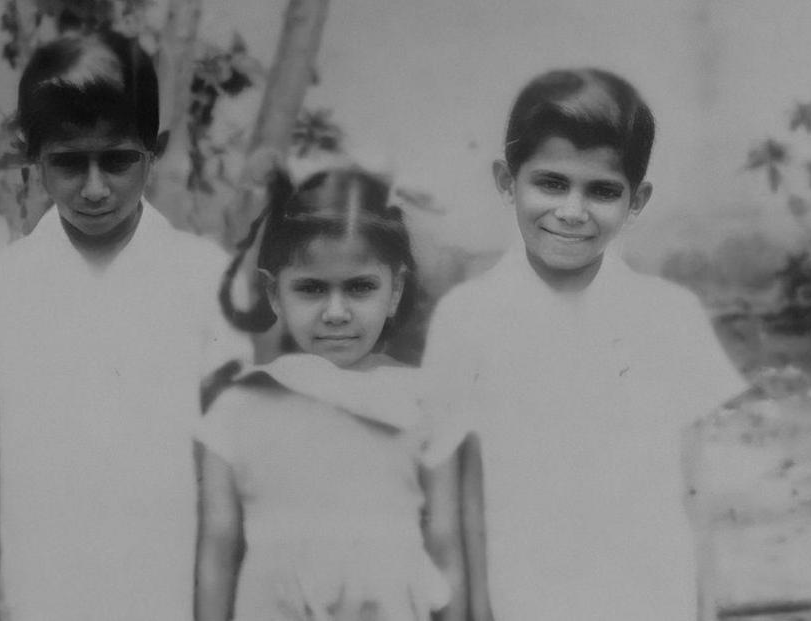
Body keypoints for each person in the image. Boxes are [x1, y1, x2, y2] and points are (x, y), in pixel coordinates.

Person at [0, 30, 248, 621]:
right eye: (70, 162)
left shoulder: (204, 279)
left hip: (165, 589)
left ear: (155, 149)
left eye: (119, 159)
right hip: (42, 587)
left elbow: (222, 476)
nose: (96, 188)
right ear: (32, 157)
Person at [422, 68, 749, 621]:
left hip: (651, 599)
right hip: (527, 600)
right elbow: (450, 515)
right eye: (551, 182)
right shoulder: (468, 318)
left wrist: (706, 610)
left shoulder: (670, 315)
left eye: (601, 190)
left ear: (637, 198)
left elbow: (694, 495)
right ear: (507, 180)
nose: (572, 211)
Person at [196, 168, 467, 621]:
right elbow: (217, 553)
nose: (336, 312)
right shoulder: (239, 405)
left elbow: (445, 546)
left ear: (395, 289)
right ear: (274, 293)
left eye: (360, 287)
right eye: (311, 289)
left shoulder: (425, 399)